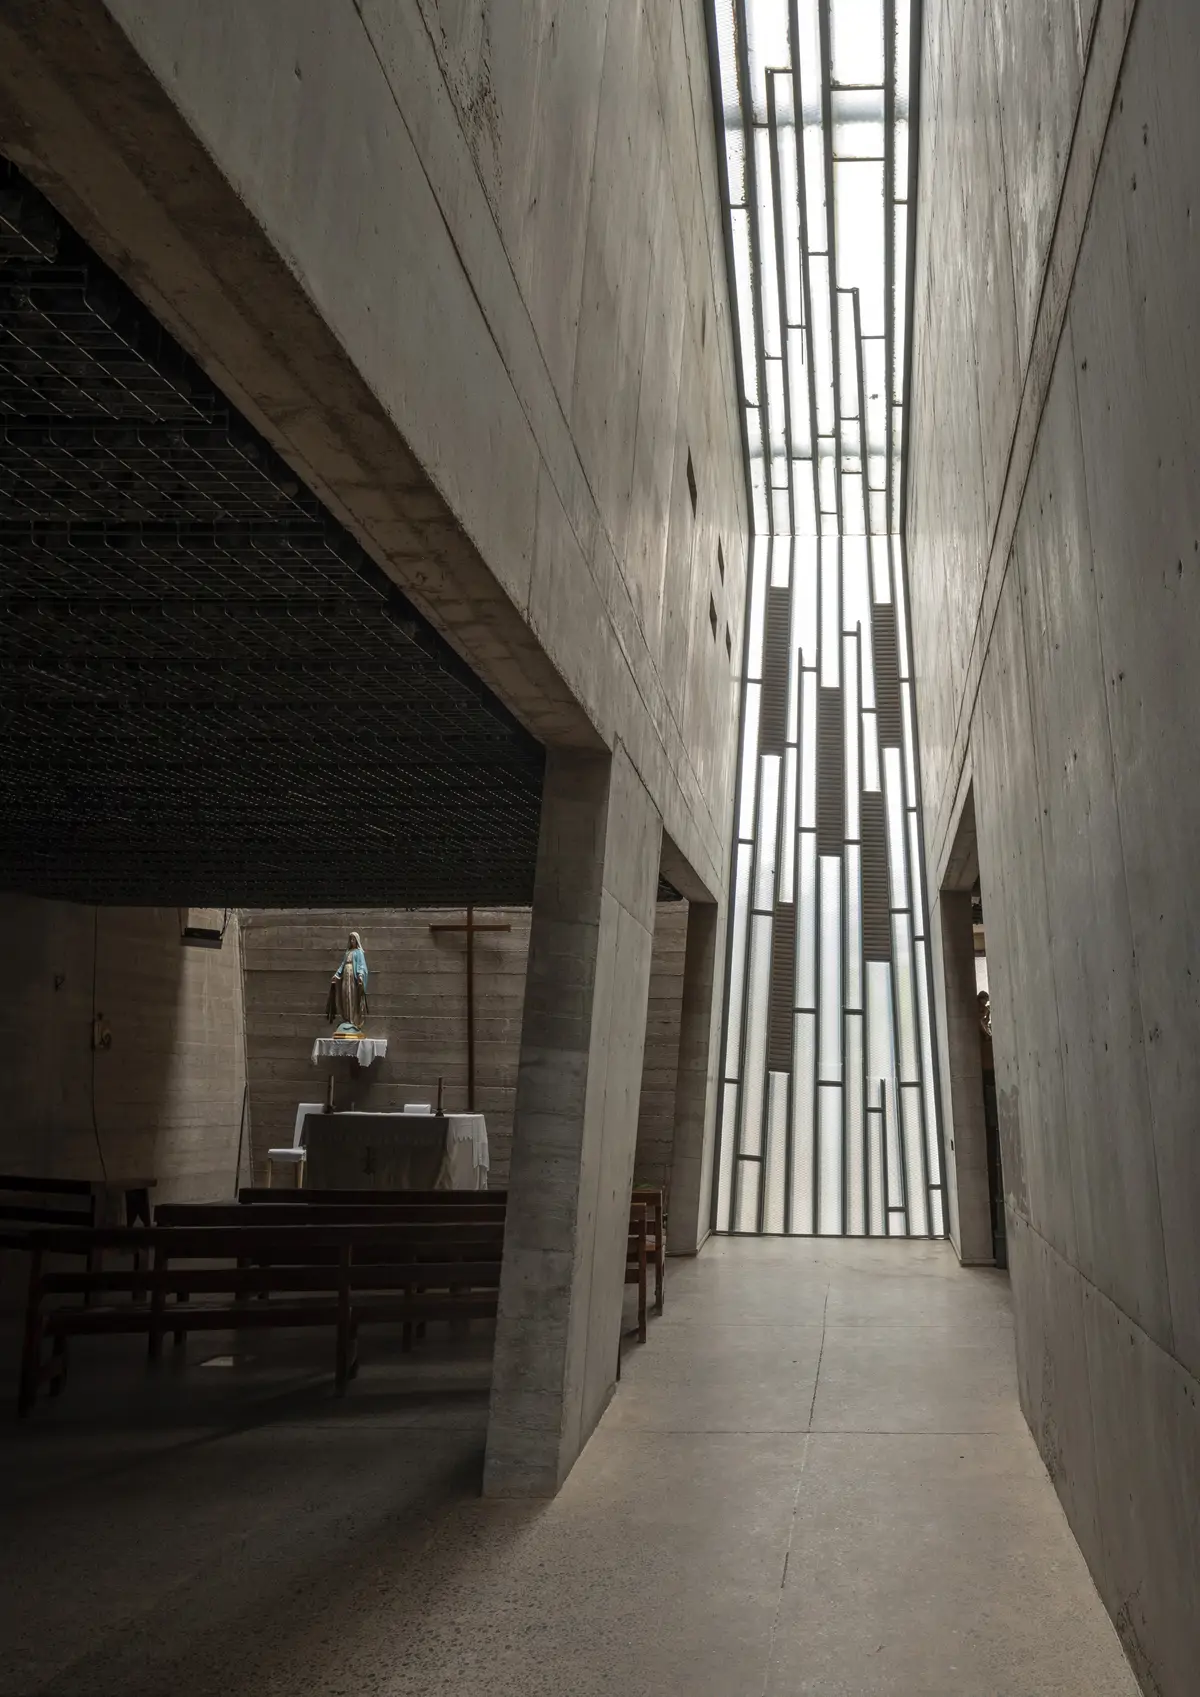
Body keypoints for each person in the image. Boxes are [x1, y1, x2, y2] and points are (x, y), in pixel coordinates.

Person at [326, 930, 369, 1032]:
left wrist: (360, 975)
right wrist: (336, 975)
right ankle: (346, 1019)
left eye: (353, 939)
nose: (352, 941)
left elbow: (361, 965)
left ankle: (353, 1020)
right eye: (351, 939)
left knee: (352, 996)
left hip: (352, 977)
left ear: (357, 940)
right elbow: (342, 965)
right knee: (345, 995)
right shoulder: (347, 952)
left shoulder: (359, 952)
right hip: (345, 976)